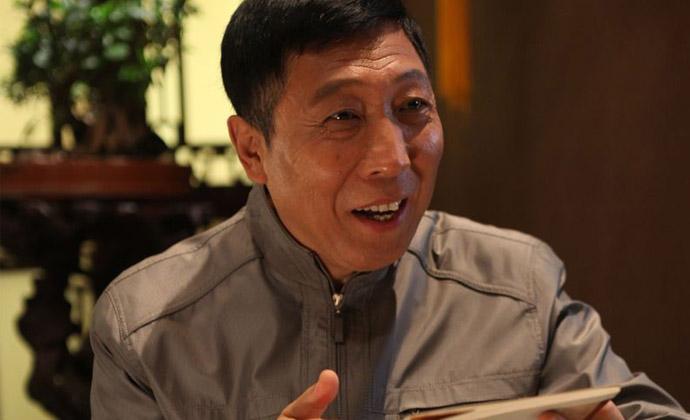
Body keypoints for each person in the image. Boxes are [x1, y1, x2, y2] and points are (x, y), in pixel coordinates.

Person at [90, 1, 688, 419]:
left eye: (412, 106)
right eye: (343, 116)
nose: (393, 158)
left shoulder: (517, 287)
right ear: (253, 150)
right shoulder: (147, 325)